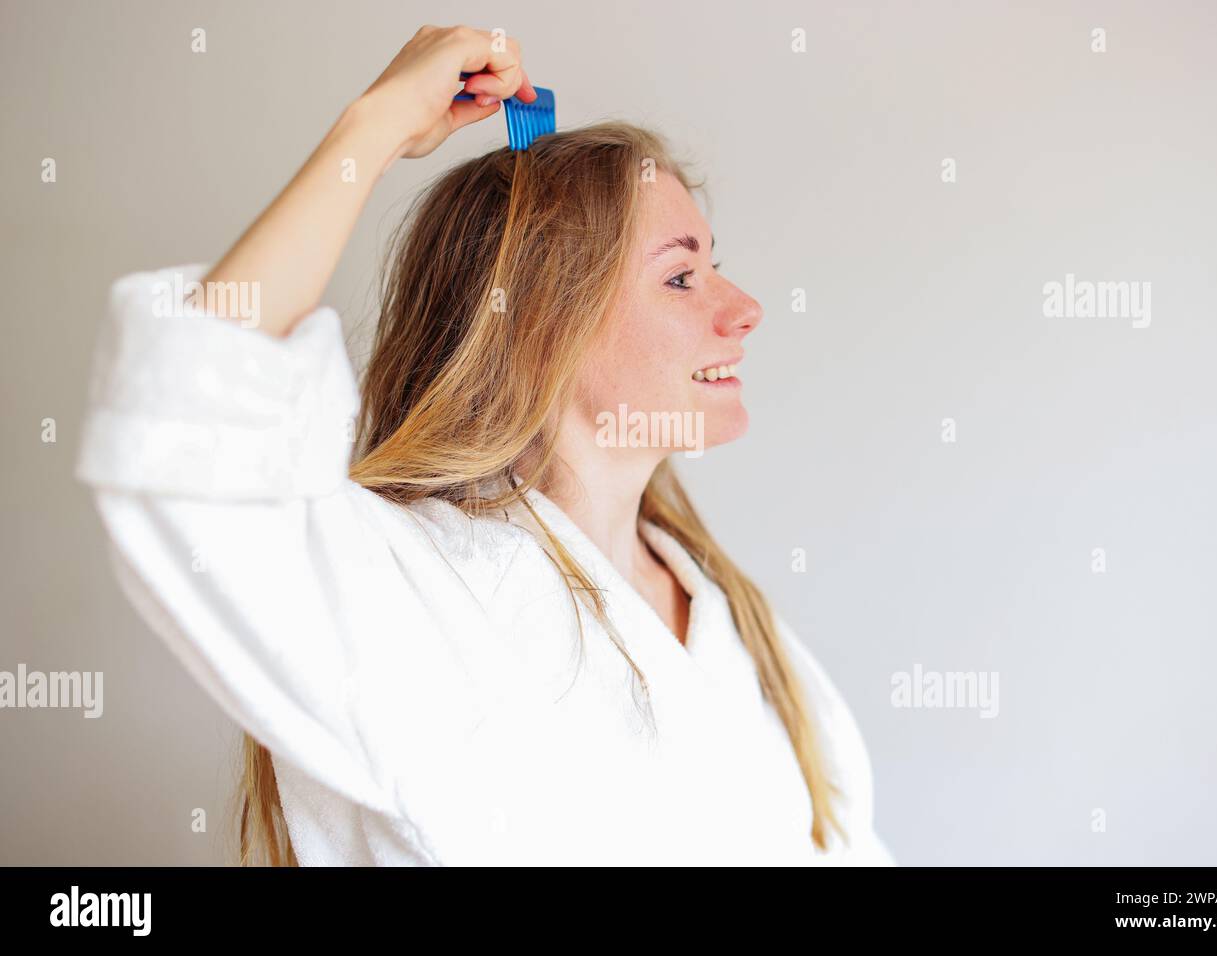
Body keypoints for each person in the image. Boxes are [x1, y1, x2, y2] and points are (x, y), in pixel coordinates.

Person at [76, 24, 896, 866]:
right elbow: (197, 430)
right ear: (542, 321)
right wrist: (377, 124)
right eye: (682, 277)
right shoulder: (417, 598)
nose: (745, 307)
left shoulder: (729, 616)